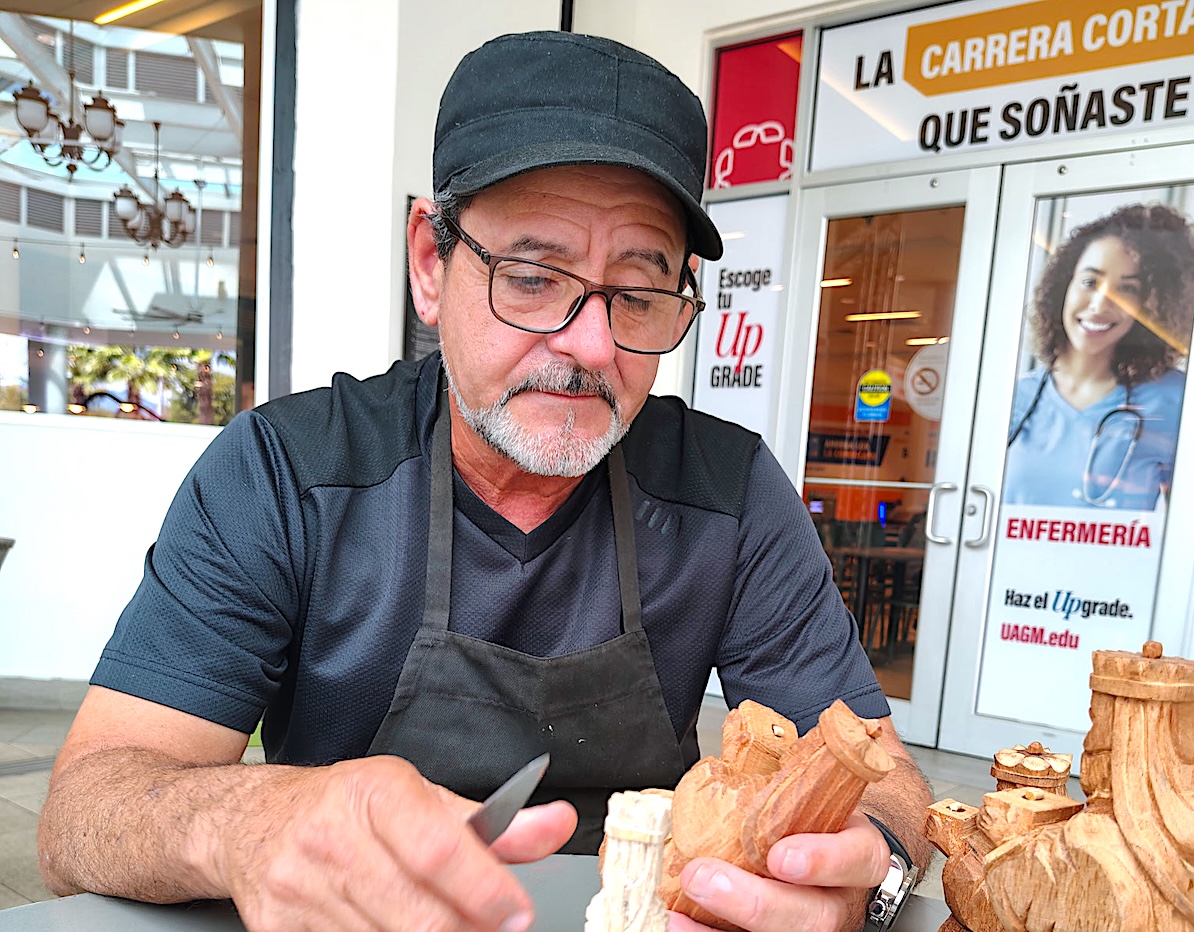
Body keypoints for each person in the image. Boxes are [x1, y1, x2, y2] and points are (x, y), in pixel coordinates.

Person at [37, 31, 933, 932]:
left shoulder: (728, 494)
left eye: (637, 294)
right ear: (431, 262)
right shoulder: (287, 474)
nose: (590, 347)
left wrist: (871, 874)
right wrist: (248, 819)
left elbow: (882, 776)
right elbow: (84, 810)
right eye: (535, 278)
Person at [1005, 202, 1194, 510]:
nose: (1099, 304)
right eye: (1089, 282)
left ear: (1152, 306)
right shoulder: (1013, 399)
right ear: (1063, 287)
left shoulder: (1178, 401)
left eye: (1128, 289)